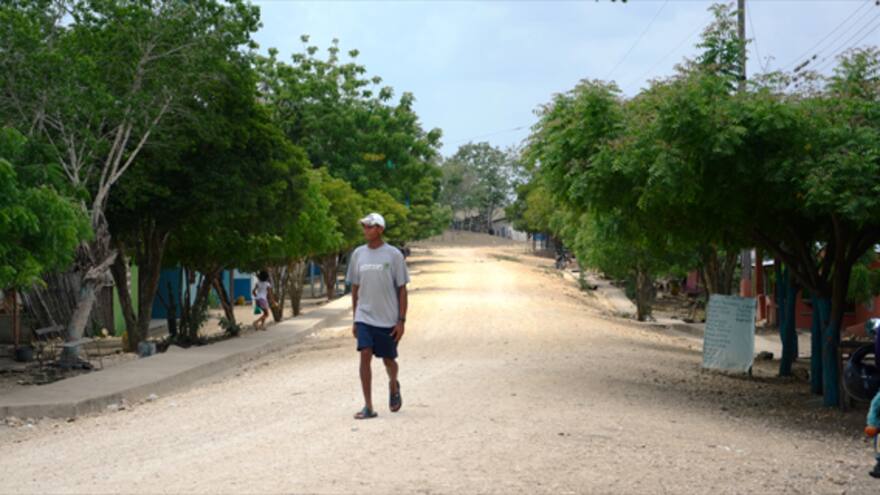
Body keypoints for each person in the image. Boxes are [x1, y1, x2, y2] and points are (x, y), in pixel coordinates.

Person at [345, 212, 409, 420]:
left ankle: (393, 383)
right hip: (365, 316)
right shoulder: (358, 254)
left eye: (370, 226)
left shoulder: (394, 255)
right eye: (364, 226)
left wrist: (401, 320)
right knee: (364, 355)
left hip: (388, 319)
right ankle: (369, 406)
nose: (366, 230)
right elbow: (355, 287)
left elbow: (402, 289)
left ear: (380, 229)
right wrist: (355, 318)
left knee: (389, 361)